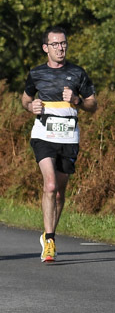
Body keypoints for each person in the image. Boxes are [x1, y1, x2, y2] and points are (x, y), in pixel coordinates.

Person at [21, 27, 96, 263]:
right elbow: (25, 99)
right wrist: (30, 106)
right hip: (43, 135)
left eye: (63, 43)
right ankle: (50, 241)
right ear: (46, 48)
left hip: (69, 138)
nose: (60, 48)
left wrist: (77, 100)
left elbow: (92, 105)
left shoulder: (77, 73)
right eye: (55, 44)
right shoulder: (36, 73)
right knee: (50, 185)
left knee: (60, 192)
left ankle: (48, 234)